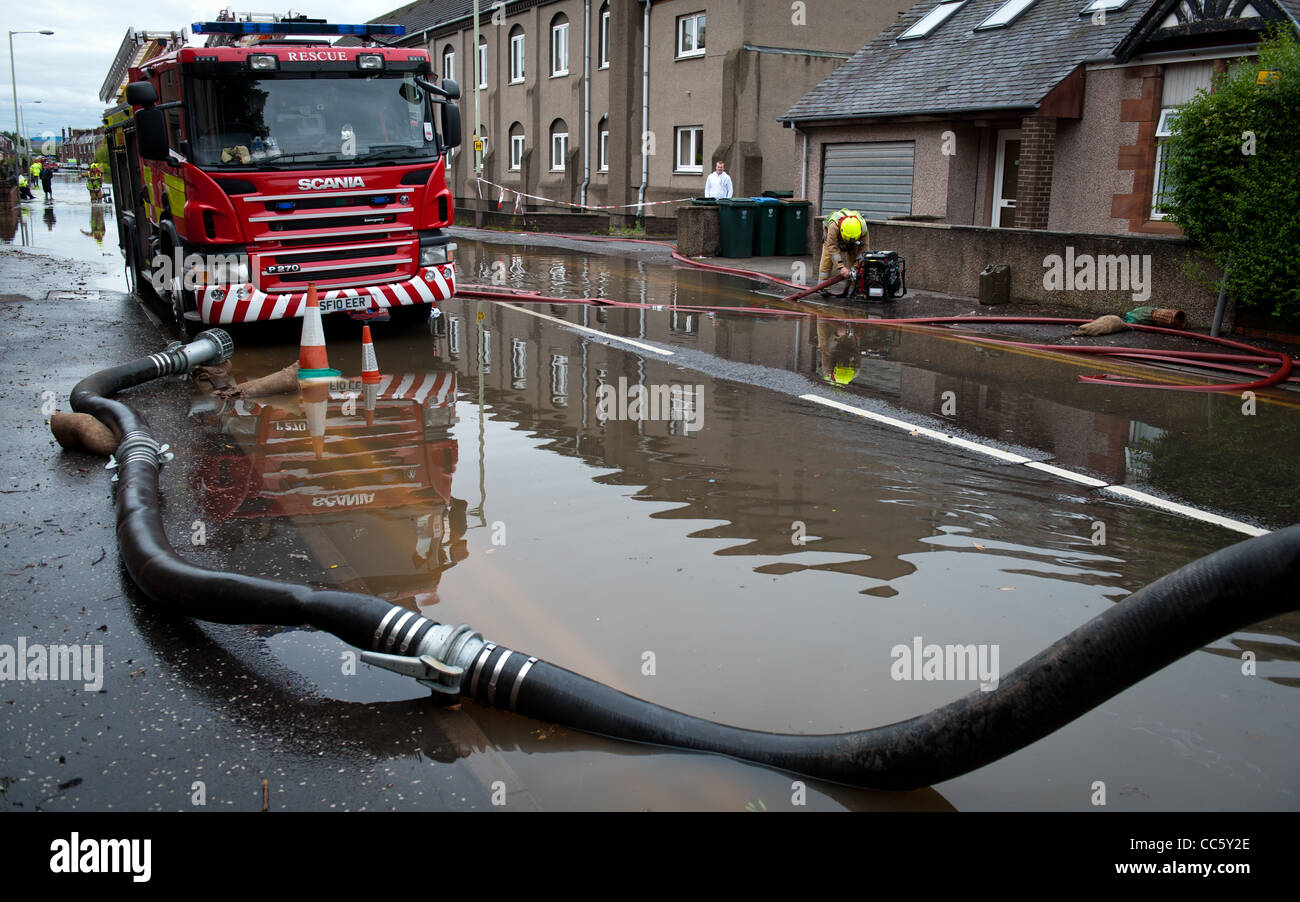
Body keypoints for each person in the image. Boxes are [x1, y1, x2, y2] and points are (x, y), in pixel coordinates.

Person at [818, 208, 869, 297]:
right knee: (827, 259)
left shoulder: (863, 227)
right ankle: (823, 286)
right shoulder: (833, 226)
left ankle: (855, 288)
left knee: (855, 261)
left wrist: (855, 267)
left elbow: (864, 251)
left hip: (854, 242)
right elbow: (832, 247)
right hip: (831, 239)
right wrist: (841, 267)